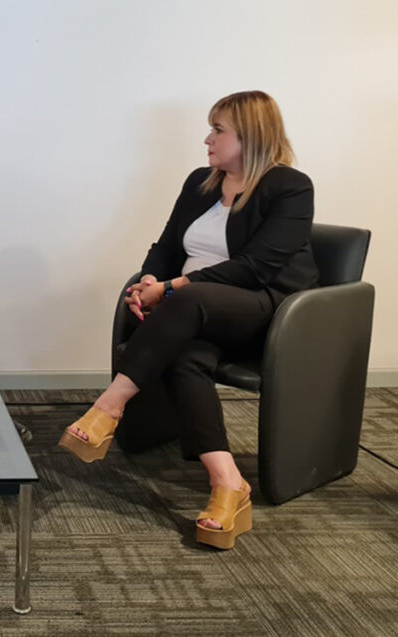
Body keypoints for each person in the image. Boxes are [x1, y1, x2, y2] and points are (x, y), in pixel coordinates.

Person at [59, 90, 317, 550]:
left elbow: (256, 268)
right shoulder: (202, 182)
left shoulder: (290, 187)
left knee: (188, 296)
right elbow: (166, 245)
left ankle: (110, 406)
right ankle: (228, 483)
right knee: (186, 357)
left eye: (218, 130)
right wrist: (150, 279)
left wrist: (172, 288)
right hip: (194, 314)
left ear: (251, 135)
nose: (207, 139)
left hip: (264, 310)